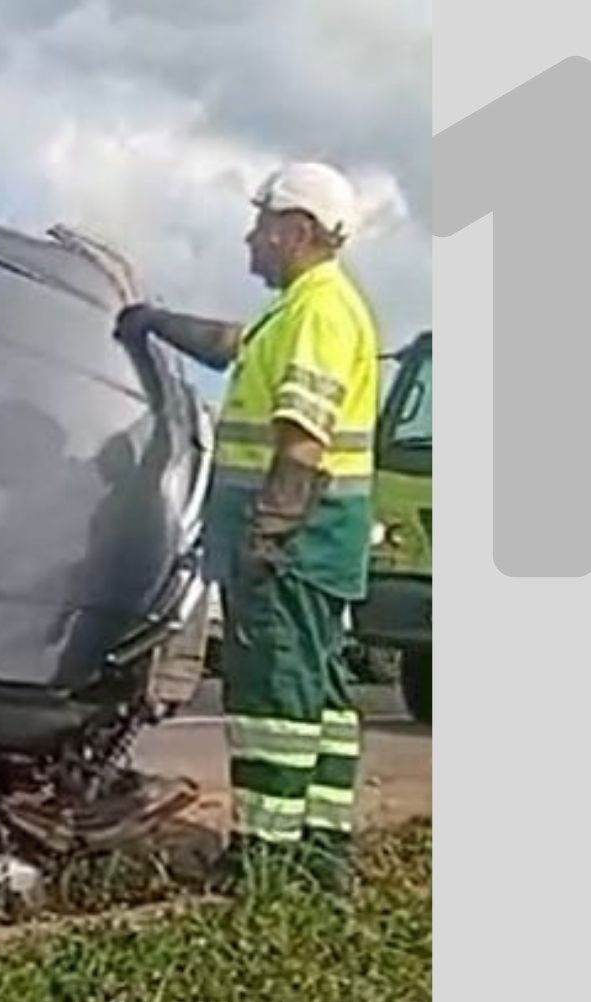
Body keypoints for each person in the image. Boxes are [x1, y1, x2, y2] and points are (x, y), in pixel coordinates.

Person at [116, 162, 380, 893]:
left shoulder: (319, 313)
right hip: (316, 545)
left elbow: (302, 442)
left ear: (297, 229)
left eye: (261, 224)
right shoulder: (305, 308)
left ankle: (265, 856)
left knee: (274, 700)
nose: (249, 238)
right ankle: (321, 849)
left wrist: (266, 541)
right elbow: (234, 344)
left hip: (295, 546)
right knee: (317, 698)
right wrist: (157, 323)